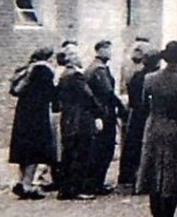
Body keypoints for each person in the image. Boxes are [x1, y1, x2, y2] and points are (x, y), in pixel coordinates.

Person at [137, 41, 177, 217]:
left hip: (155, 125)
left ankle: (157, 212)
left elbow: (143, 103)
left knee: (154, 167)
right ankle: (168, 213)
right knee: (174, 170)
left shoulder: (150, 79)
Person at [8, 46, 58, 199]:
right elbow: (50, 94)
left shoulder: (27, 69)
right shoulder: (44, 71)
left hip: (23, 113)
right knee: (34, 151)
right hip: (37, 115)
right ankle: (27, 185)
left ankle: (22, 180)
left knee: (24, 151)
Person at [55, 46, 102, 201]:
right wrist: (99, 113)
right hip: (80, 120)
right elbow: (88, 96)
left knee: (68, 154)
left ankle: (65, 188)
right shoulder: (75, 75)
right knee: (81, 154)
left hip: (68, 119)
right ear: (72, 57)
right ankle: (76, 188)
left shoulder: (63, 75)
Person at [85, 39, 125, 194]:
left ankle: (96, 183)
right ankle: (96, 184)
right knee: (104, 149)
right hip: (104, 113)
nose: (110, 53)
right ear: (100, 50)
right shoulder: (99, 70)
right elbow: (107, 93)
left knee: (100, 150)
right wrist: (121, 107)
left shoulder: (95, 68)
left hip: (100, 112)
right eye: (108, 49)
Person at [118, 51, 159, 191]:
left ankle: (129, 178)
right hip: (147, 115)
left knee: (133, 147)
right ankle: (145, 179)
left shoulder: (136, 76)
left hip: (136, 115)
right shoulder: (153, 77)